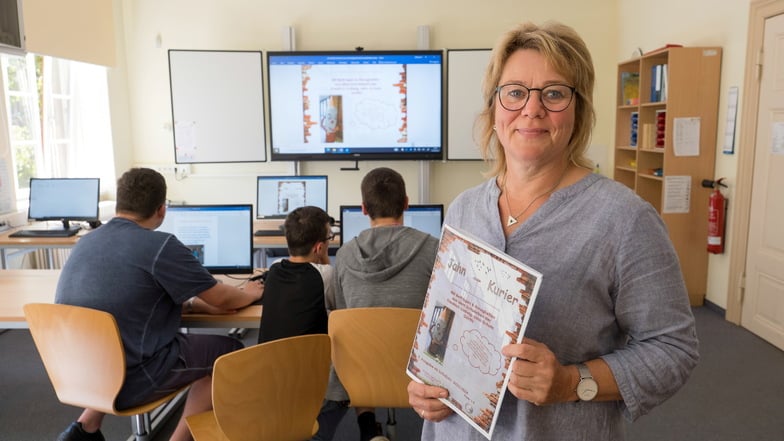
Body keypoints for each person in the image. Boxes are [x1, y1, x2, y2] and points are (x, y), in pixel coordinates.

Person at [407, 21, 698, 440]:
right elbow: (444, 324)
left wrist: (571, 381)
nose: (532, 109)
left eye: (555, 93)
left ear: (578, 110)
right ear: (494, 106)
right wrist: (425, 383)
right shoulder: (465, 209)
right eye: (515, 92)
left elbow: (675, 350)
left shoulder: (624, 219)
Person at [54, 167, 263, 441]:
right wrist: (248, 292)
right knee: (229, 355)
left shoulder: (85, 242)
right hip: (133, 377)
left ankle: (85, 427)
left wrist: (188, 306)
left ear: (119, 204)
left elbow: (129, 301)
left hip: (80, 372)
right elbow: (221, 297)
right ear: (161, 210)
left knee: (115, 342)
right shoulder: (160, 244)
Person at [315, 167, 439, 441]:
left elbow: (341, 315)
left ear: (363, 208)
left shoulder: (345, 255)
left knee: (357, 339)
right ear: (406, 203)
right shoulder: (434, 249)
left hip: (359, 377)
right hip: (420, 378)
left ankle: (368, 427)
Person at [257, 205, 335, 344]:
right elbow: (337, 309)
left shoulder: (274, 267)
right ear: (320, 247)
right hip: (309, 362)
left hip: (268, 360)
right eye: (330, 236)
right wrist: (323, 256)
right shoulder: (326, 275)